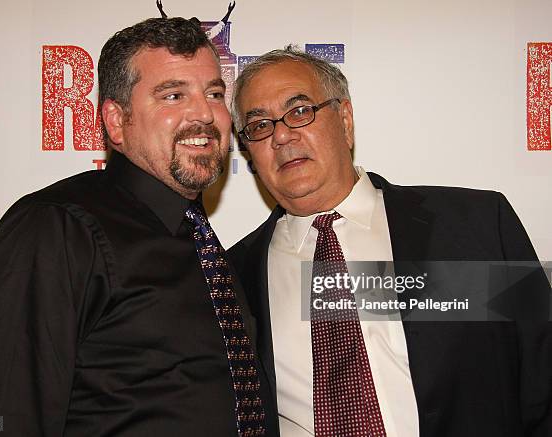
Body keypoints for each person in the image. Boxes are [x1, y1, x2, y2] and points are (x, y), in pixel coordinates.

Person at [0, 18, 275, 437]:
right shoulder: (56, 228)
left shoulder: (203, 244)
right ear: (115, 121)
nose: (205, 114)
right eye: (173, 95)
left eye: (214, 93)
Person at [228, 45, 552, 436]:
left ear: (345, 121)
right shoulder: (232, 279)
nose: (281, 135)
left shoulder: (474, 225)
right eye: (260, 125)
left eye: (300, 111)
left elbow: (542, 376)